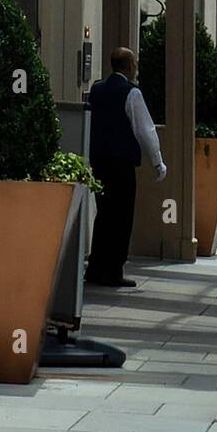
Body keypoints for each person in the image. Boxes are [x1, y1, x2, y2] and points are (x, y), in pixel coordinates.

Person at [85, 46, 167, 289]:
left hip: (99, 161)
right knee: (121, 218)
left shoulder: (96, 90)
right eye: (135, 64)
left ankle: (96, 267)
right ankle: (113, 270)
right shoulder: (132, 93)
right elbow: (145, 130)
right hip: (121, 164)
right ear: (129, 66)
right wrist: (158, 162)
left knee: (104, 215)